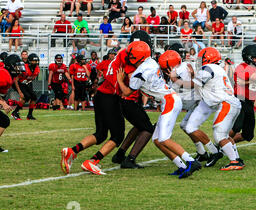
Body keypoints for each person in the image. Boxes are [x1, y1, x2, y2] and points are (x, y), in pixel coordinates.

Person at [60, 41, 150, 176]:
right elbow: (129, 89)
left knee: (101, 134)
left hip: (101, 95)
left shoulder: (122, 56)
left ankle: (72, 151)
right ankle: (92, 162)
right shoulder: (128, 64)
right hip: (110, 98)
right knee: (118, 136)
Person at [122, 50, 202, 178]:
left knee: (164, 138)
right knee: (157, 140)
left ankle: (191, 161)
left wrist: (120, 80)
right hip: (169, 100)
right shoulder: (151, 64)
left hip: (170, 100)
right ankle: (181, 166)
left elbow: (127, 92)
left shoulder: (145, 69)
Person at [185, 47, 244, 170]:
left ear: (207, 58)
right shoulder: (218, 69)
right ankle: (237, 159)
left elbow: (194, 85)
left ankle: (234, 162)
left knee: (219, 135)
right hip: (232, 103)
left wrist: (178, 81)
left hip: (226, 104)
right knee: (225, 135)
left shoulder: (207, 68)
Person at [229, 45, 256, 146]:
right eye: (255, 57)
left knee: (248, 135)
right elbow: (240, 82)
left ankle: (225, 145)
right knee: (236, 127)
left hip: (249, 102)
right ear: (248, 58)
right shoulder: (242, 67)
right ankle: (220, 144)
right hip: (240, 99)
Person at [11, 53, 40, 120]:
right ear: (29, 61)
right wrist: (20, 92)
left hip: (26, 83)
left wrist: (28, 84)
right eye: (33, 61)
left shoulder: (37, 69)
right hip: (18, 83)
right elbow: (16, 80)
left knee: (34, 97)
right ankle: (15, 112)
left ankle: (29, 115)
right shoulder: (24, 68)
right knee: (26, 97)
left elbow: (31, 79)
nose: (35, 63)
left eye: (36, 61)